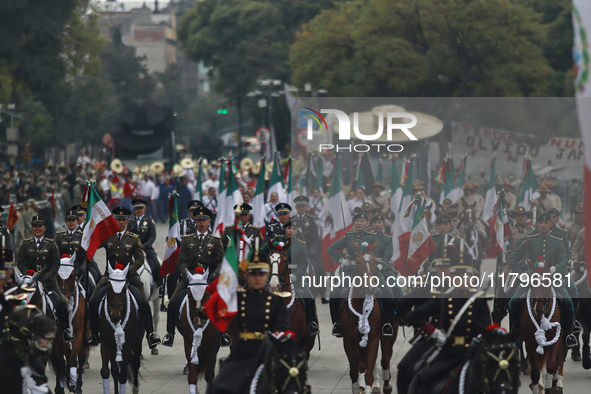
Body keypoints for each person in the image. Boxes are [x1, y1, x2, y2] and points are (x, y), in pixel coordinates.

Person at [212, 251, 290, 394]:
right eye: (253, 274)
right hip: (242, 351)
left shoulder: (276, 301)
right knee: (218, 385)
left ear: (267, 275)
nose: (257, 278)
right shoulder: (239, 298)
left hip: (267, 350)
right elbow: (218, 311)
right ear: (247, 275)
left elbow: (284, 328)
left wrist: (280, 339)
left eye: (261, 274)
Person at [86, 206, 161, 349]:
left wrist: (128, 271)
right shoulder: (108, 236)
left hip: (129, 276)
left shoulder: (134, 239)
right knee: (93, 300)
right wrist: (90, 232)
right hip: (109, 276)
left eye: (124, 220)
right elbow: (93, 245)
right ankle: (94, 334)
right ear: (114, 220)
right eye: (118, 219)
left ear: (128, 221)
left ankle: (151, 334)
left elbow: (139, 259)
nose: (121, 222)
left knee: (143, 302)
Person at [508, 212, 577, 348]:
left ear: (551, 224)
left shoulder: (557, 242)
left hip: (553, 278)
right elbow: (513, 258)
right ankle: (514, 334)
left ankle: (569, 334)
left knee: (569, 301)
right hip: (533, 278)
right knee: (513, 302)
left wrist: (554, 269)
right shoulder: (530, 240)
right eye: (541, 223)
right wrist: (521, 275)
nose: (544, 225)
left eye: (546, 223)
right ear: (537, 224)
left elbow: (564, 260)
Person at [162, 206, 223, 347]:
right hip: (190, 279)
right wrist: (185, 273)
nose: (201, 223)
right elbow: (181, 261)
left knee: (222, 302)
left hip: (209, 279)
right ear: (195, 222)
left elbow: (220, 261)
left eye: (204, 220)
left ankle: (223, 333)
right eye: (198, 220)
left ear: (209, 222)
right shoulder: (187, 239)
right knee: (173, 302)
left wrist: (215, 274)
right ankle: (170, 334)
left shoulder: (215, 240)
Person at [327, 211, 395, 337]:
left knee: (388, 293)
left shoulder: (373, 236)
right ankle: (336, 323)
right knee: (334, 293)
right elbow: (331, 248)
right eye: (357, 221)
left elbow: (377, 251)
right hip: (351, 270)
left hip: (370, 270)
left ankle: (387, 323)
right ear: (354, 223)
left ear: (367, 223)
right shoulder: (348, 236)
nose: (359, 223)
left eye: (362, 221)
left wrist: (377, 265)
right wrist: (341, 260)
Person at [16, 215, 74, 342]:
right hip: (29, 281)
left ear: (44, 228)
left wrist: (48, 276)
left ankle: (66, 330)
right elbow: (20, 262)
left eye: (40, 226)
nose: (37, 229)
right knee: (15, 301)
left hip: (49, 282)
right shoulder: (26, 244)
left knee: (61, 302)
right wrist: (27, 273)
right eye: (35, 226)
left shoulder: (51, 244)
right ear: (32, 228)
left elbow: (55, 263)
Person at [262, 218, 319, 335]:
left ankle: (311, 323)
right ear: (285, 229)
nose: (291, 231)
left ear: (297, 230)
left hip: (295, 277)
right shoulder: (277, 240)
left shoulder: (301, 245)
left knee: (309, 297)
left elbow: (304, 263)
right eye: (289, 228)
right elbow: (262, 251)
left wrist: (296, 275)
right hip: (275, 275)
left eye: (294, 229)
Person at [292, 196, 327, 302]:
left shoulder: (311, 221)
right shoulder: (291, 220)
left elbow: (315, 238)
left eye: (303, 206)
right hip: (295, 250)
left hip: (309, 250)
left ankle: (323, 294)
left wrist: (312, 249)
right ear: (296, 207)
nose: (301, 208)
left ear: (306, 207)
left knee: (320, 269)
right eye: (299, 206)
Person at [127, 198, 162, 290]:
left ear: (144, 209)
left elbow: (152, 236)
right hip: (132, 248)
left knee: (157, 264)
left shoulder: (149, 220)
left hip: (146, 248)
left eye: (141, 208)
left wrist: (145, 245)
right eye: (137, 208)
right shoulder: (130, 221)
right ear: (134, 210)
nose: (139, 210)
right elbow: (127, 235)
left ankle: (159, 285)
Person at [54, 209, 90, 291]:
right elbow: (56, 254)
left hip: (78, 269)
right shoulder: (60, 236)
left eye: (73, 220)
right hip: (62, 269)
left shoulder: (83, 236)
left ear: (77, 221)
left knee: (91, 286)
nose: (71, 223)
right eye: (69, 220)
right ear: (66, 222)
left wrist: (83, 268)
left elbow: (86, 255)